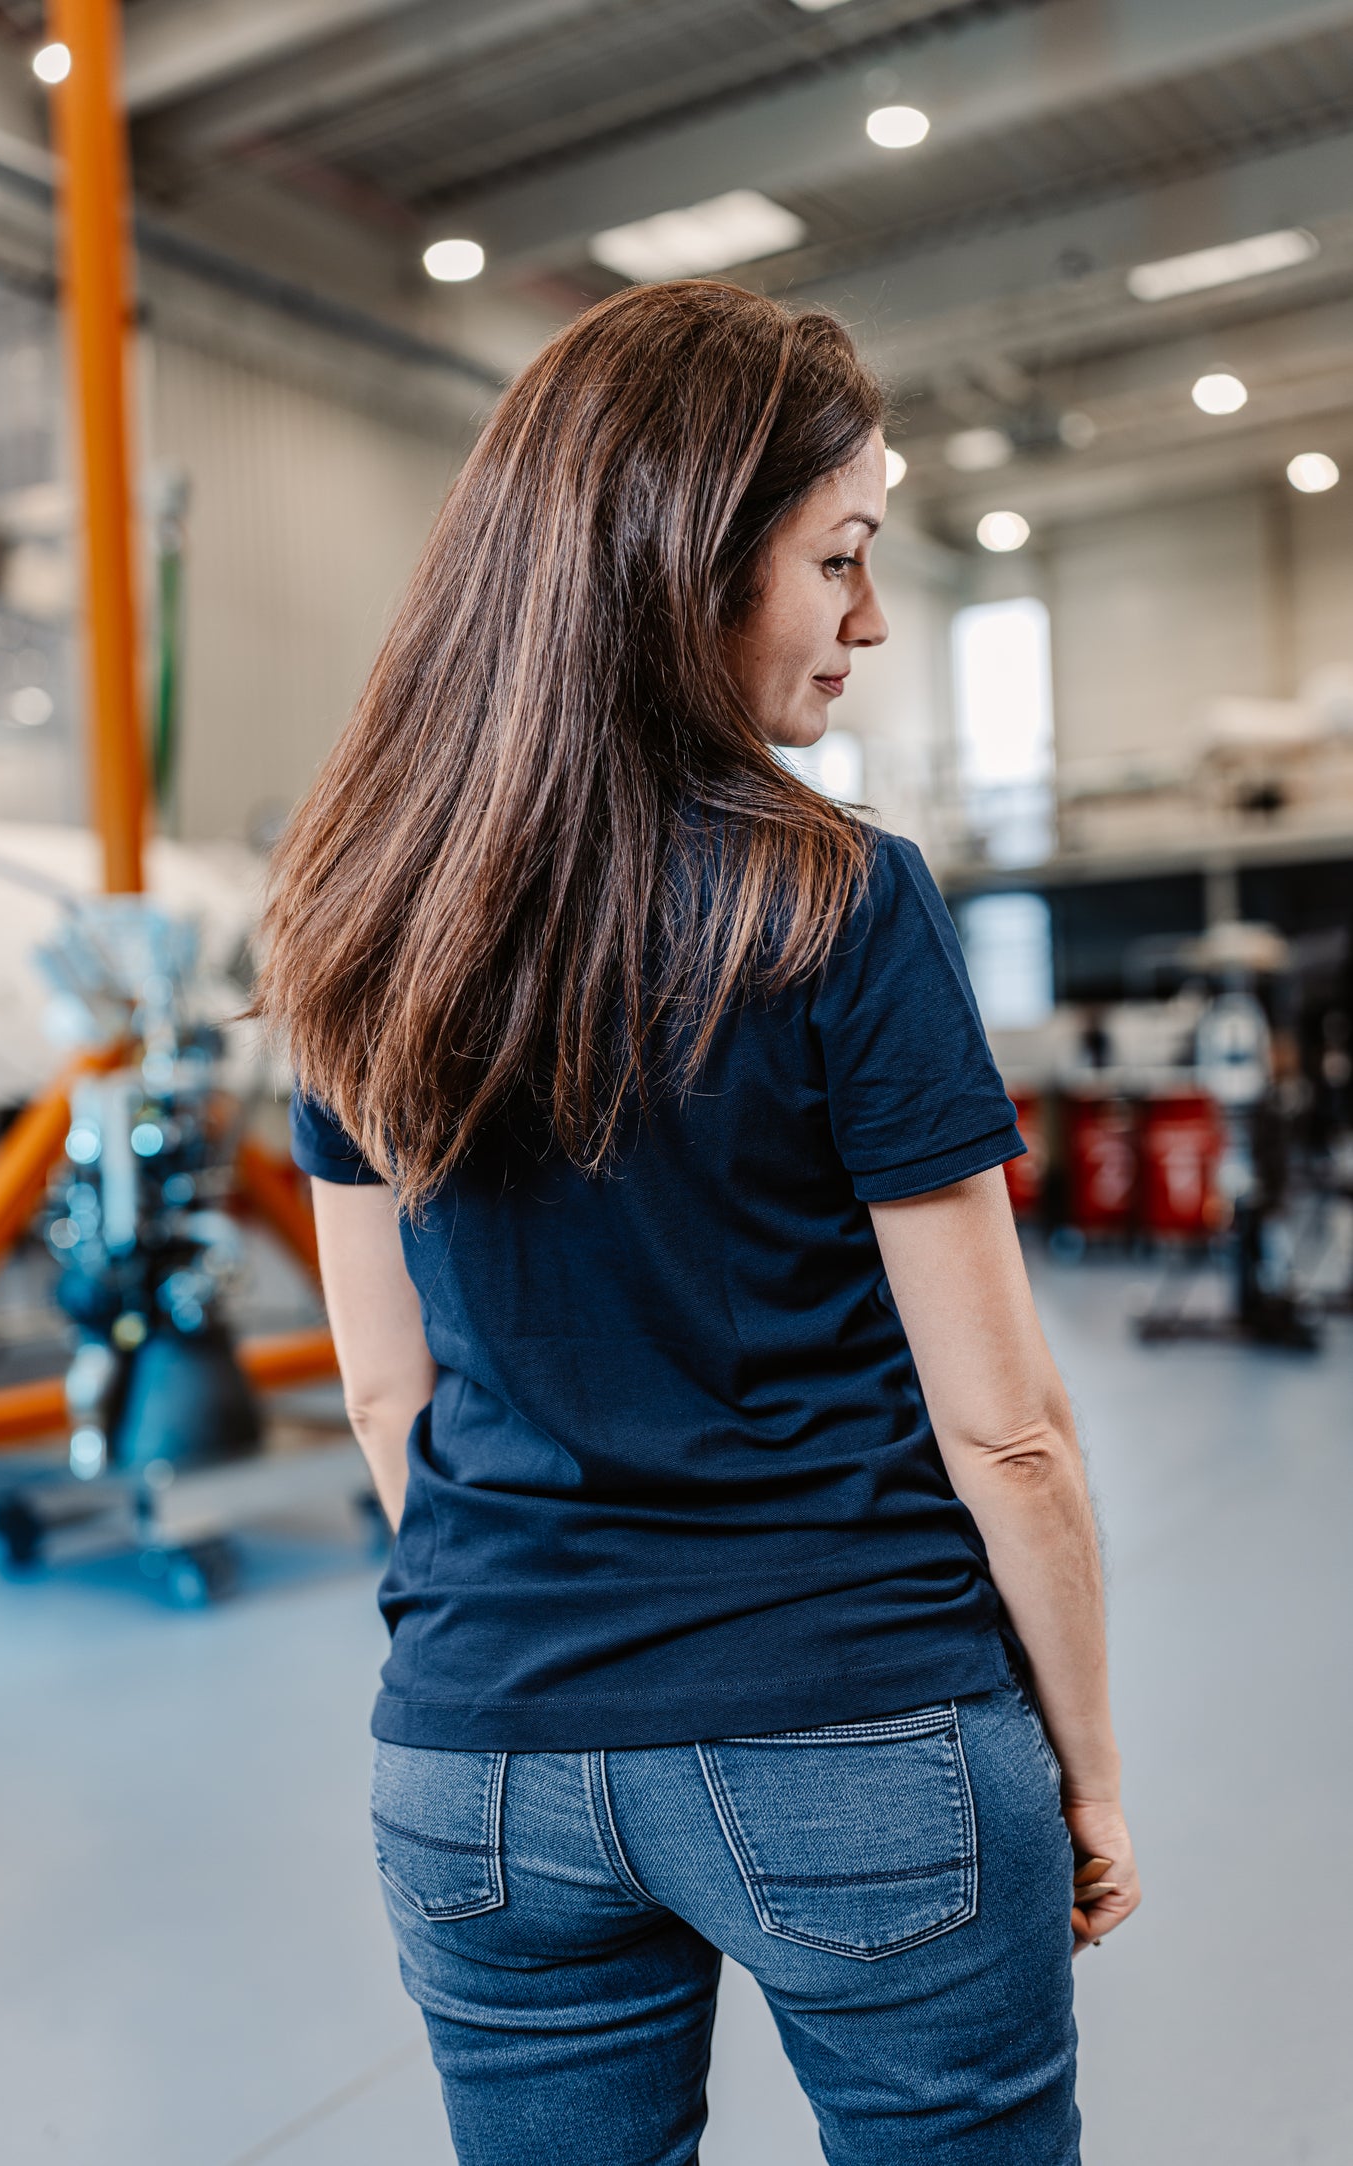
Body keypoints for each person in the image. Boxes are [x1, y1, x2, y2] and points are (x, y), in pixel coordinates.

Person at [257, 280, 1139, 2165]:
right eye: (839, 560)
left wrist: (536, 1622)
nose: (869, 620)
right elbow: (1008, 1433)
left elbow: (382, 1404)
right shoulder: (836, 905)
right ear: (687, 559)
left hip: (476, 1759)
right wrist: (1087, 1766)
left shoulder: (353, 914)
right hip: (859, 1729)